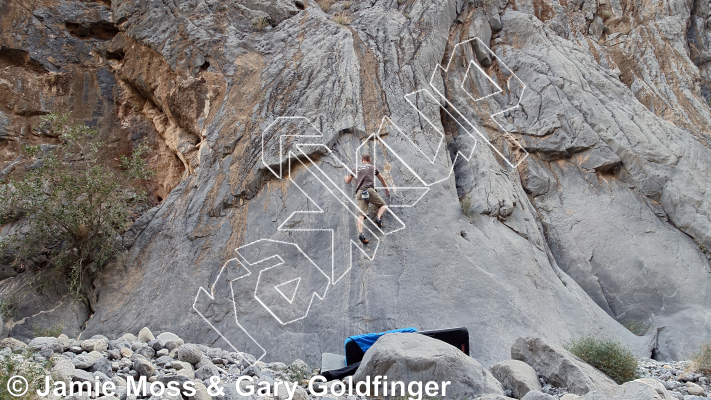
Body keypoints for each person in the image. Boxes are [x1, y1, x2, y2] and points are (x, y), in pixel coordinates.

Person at [344, 154, 390, 245]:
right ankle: (378, 218)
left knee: (361, 215)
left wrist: (345, 177)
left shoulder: (355, 169)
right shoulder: (372, 167)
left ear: (362, 160)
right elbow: (382, 180)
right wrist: (386, 189)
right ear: (369, 160)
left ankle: (361, 233)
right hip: (370, 190)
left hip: (360, 193)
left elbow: (348, 181)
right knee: (383, 205)